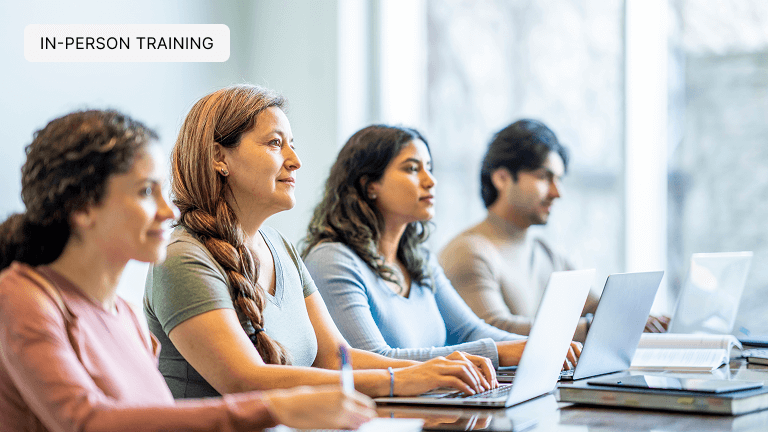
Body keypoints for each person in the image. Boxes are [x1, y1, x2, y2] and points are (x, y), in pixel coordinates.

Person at [0, 109, 377, 431]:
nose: (168, 212)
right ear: (83, 208)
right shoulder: (21, 298)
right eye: (146, 192)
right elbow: (86, 421)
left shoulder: (124, 315)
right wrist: (274, 407)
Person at [144, 84, 496, 402]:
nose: (295, 161)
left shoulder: (280, 247)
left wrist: (429, 372)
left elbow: (335, 358)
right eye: (275, 143)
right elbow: (247, 381)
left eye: (292, 146)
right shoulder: (182, 259)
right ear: (220, 157)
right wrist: (399, 380)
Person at [301, 124, 580, 370]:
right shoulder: (332, 260)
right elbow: (374, 358)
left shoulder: (418, 260)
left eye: (429, 169)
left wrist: (543, 344)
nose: (430, 181)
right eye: (412, 168)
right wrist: (503, 352)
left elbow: (471, 331)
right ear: (369, 185)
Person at [439, 119, 668, 342]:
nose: (557, 192)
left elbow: (598, 307)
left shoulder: (546, 253)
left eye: (558, 179)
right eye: (544, 177)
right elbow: (494, 331)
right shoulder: (469, 252)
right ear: (502, 178)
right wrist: (596, 327)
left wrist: (642, 320)